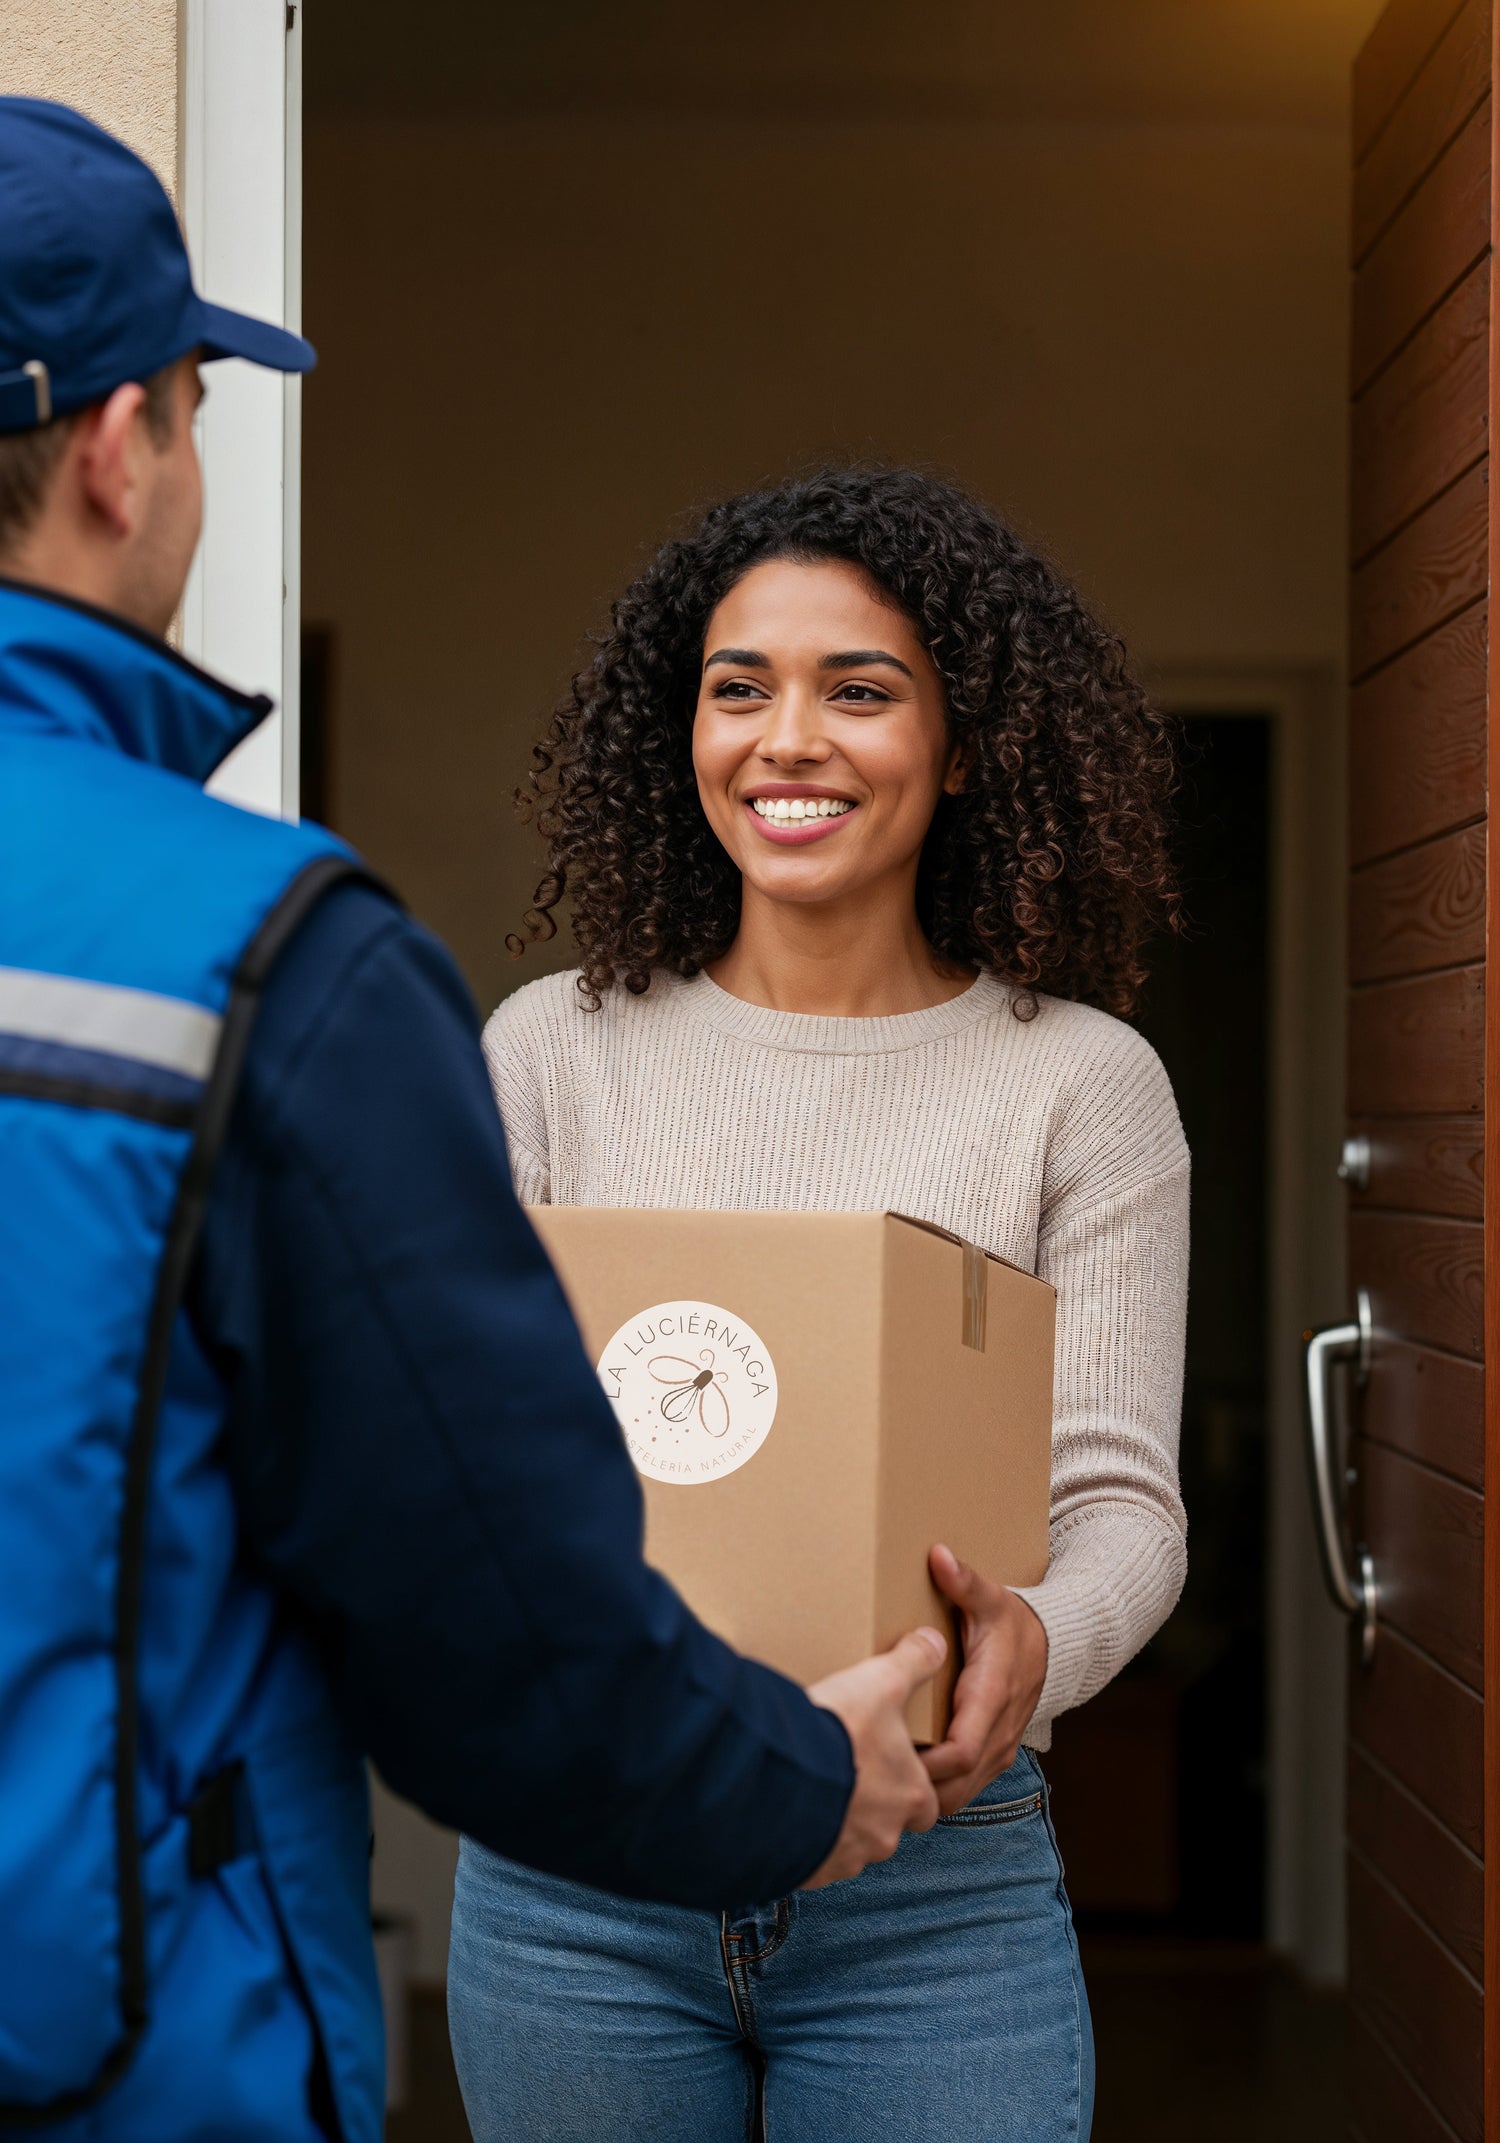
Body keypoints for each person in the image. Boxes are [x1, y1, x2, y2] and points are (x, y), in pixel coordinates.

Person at [0, 104, 948, 2143]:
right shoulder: (258, 963)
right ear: (117, 449)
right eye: (188, 400)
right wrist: (798, 1778)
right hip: (105, 2053)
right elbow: (497, 1622)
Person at [448, 467, 1190, 2143]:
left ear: (967, 740)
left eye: (859, 691)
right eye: (740, 690)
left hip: (937, 1880)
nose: (788, 739)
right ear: (684, 734)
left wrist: (1039, 1646)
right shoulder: (544, 1054)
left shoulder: (1079, 1087)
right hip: (586, 1873)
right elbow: (471, 1455)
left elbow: (1121, 1505)